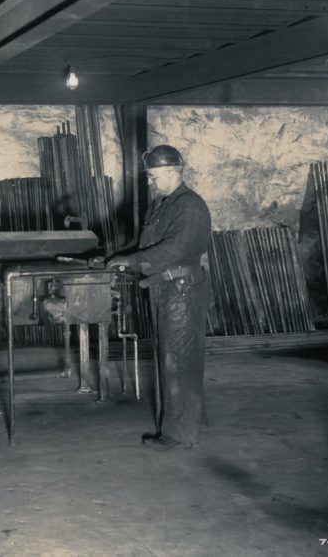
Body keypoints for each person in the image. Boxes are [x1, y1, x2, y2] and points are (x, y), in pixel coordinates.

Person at [105, 144, 211, 451]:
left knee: (179, 362)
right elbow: (146, 242)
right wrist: (117, 255)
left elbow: (174, 250)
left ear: (175, 172)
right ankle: (185, 423)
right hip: (165, 289)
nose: (152, 182)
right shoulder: (162, 204)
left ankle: (180, 435)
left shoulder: (190, 206)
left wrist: (132, 261)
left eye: (155, 177)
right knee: (171, 359)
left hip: (182, 290)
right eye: (151, 177)